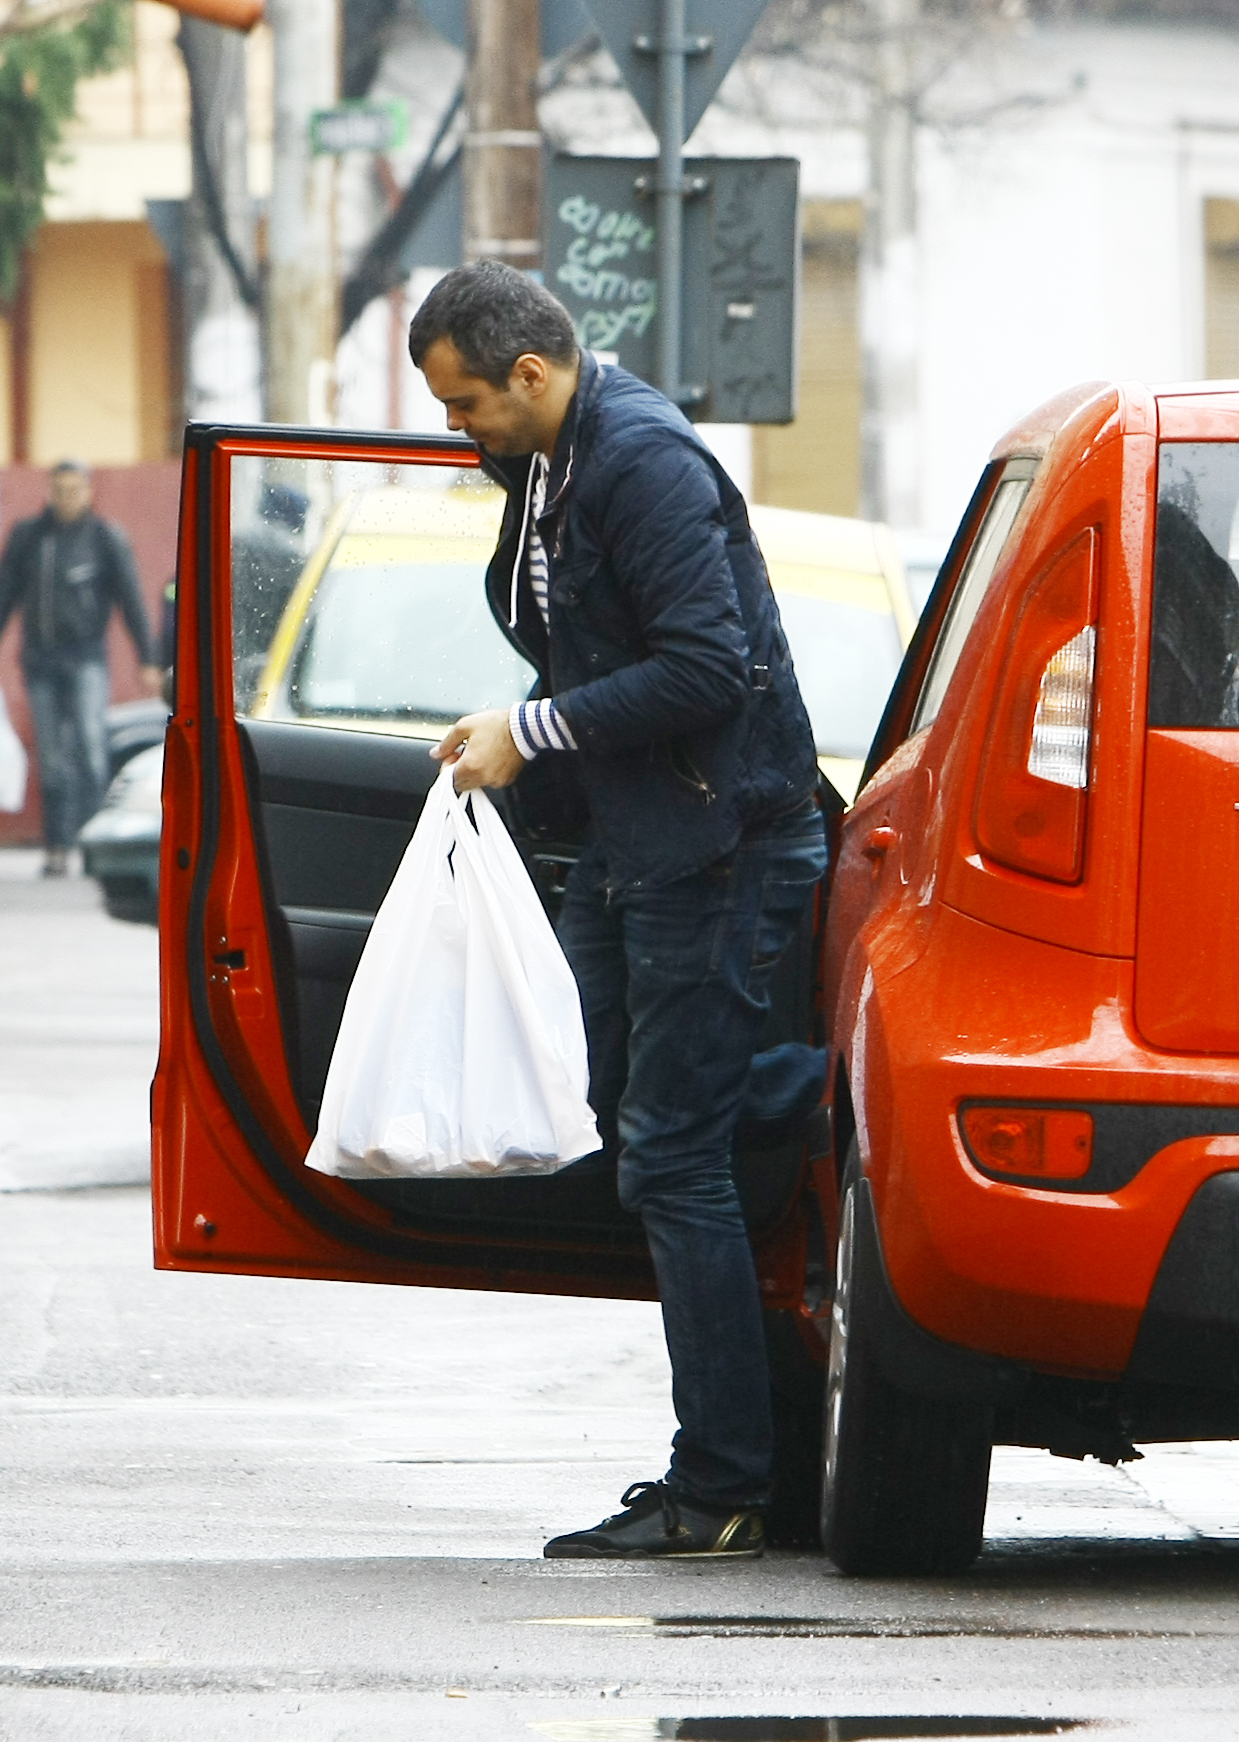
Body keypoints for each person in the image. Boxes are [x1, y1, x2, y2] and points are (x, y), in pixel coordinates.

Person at [411, 263, 824, 1562]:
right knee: (610, 1099)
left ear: (530, 374)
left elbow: (705, 665)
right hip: (635, 839)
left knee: (672, 1151)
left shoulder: (638, 464)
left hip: (719, 842)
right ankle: (823, 1109)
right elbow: (569, 625)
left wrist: (531, 732)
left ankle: (722, 1490)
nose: (457, 433)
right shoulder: (545, 465)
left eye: (466, 406)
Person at [0, 460, 161, 876]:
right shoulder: (29, 538)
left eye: (75, 490)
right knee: (52, 758)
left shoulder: (105, 538)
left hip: (87, 658)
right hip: (40, 660)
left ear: (89, 492)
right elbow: (1, 591)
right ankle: (56, 847)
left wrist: (148, 658)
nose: (66, 498)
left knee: (92, 751)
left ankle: (93, 845)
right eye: (59, 490)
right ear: (49, 492)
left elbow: (131, 599)